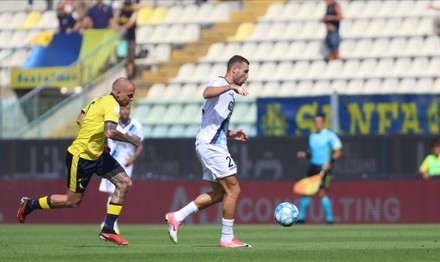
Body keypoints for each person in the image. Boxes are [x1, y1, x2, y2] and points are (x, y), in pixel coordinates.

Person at [17, 77, 141, 246]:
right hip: (81, 156)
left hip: (97, 154)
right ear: (118, 93)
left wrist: (98, 141)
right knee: (72, 201)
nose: (131, 99)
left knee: (124, 183)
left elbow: (80, 119)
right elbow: (111, 132)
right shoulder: (112, 105)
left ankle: (108, 229)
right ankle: (29, 205)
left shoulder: (97, 101)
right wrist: (131, 139)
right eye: (130, 95)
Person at [165, 55, 252, 248]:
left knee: (221, 193)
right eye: (245, 71)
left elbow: (211, 122)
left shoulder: (227, 92)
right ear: (234, 70)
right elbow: (206, 92)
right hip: (211, 146)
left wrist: (231, 133)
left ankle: (176, 216)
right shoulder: (220, 83)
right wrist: (231, 86)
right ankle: (227, 238)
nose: (247, 76)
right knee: (234, 189)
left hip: (212, 143)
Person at [99, 103, 144, 233]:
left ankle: (108, 223)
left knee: (120, 192)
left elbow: (140, 145)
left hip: (126, 163)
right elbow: (103, 138)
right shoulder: (112, 124)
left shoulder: (136, 125)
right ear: (119, 111)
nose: (126, 111)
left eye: (128, 108)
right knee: (112, 193)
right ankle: (112, 224)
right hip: (111, 161)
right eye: (123, 108)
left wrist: (133, 158)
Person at [296, 114, 342, 224]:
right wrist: (303, 155)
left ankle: (330, 219)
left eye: (319, 121)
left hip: (324, 167)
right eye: (316, 121)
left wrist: (329, 163)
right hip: (313, 166)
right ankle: (301, 218)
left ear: (324, 122)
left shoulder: (330, 135)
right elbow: (311, 153)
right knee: (307, 192)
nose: (318, 123)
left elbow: (338, 152)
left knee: (321, 192)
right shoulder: (312, 136)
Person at [114, 0, 137, 79]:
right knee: (122, 57)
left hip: (130, 38)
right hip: (122, 40)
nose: (126, 7)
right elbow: (115, 21)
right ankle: (123, 75)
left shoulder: (133, 13)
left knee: (130, 58)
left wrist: (120, 28)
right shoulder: (120, 13)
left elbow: (131, 23)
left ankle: (130, 75)